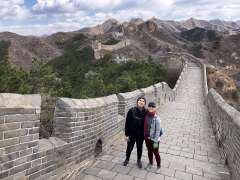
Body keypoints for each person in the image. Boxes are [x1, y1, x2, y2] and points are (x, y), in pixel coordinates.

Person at [123, 96, 147, 168]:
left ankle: (139, 160)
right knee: (129, 147)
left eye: (143, 101)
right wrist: (126, 134)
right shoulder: (131, 110)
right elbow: (127, 123)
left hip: (141, 134)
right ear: (137, 102)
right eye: (140, 100)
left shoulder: (146, 112)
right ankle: (127, 159)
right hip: (132, 133)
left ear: (144, 103)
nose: (141, 102)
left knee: (139, 147)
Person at [144, 101, 161, 169]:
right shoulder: (146, 115)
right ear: (148, 107)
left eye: (153, 106)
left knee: (156, 152)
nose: (151, 107)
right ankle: (150, 163)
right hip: (147, 138)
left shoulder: (157, 119)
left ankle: (158, 165)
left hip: (155, 139)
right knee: (149, 151)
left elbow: (158, 131)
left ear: (155, 108)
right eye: (150, 106)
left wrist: (156, 141)